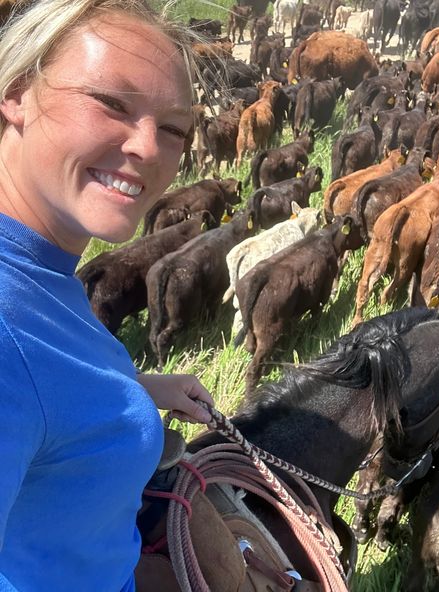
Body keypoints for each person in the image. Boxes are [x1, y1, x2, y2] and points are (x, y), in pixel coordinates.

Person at [0, 0, 215, 589]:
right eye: (111, 103)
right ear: (17, 93)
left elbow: (45, 390)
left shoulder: (38, 268)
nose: (149, 147)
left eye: (173, 128)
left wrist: (138, 390)